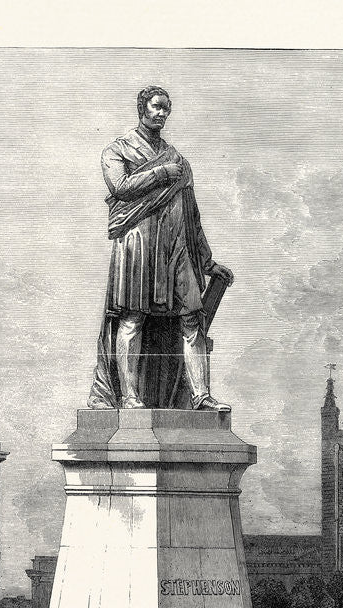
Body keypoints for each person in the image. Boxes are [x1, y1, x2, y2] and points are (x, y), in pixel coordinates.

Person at [87, 85, 234, 412]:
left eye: (166, 109)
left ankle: (201, 396)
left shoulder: (179, 161)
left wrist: (207, 263)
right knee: (132, 319)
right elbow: (121, 189)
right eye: (157, 107)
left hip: (176, 248)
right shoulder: (117, 151)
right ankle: (130, 396)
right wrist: (161, 173)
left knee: (192, 319)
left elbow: (192, 215)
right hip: (138, 246)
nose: (162, 114)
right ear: (143, 108)